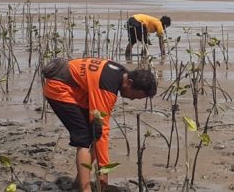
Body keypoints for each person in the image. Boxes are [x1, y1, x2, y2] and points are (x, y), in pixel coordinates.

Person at [42, 57, 157, 191]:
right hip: (59, 88)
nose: (132, 99)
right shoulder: (107, 87)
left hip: (75, 88)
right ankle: (85, 189)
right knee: (85, 139)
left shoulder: (120, 72)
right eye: (135, 96)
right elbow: (102, 129)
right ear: (129, 82)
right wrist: (104, 174)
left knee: (94, 135)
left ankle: (79, 182)